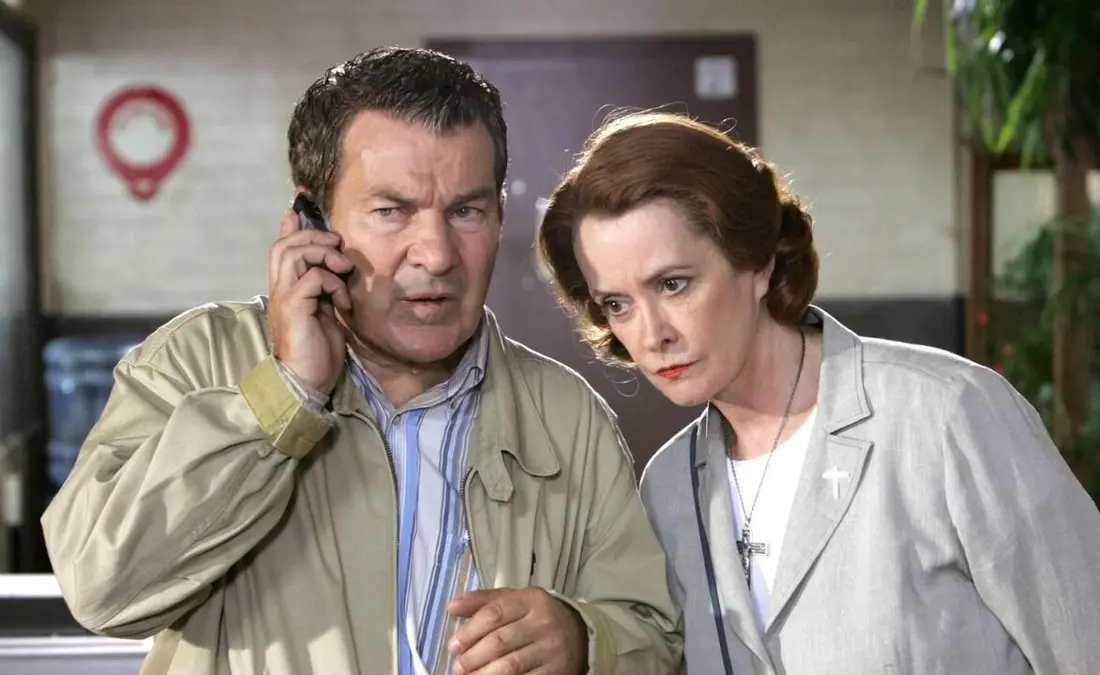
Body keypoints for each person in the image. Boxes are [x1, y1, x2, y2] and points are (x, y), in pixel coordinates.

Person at [40, 48, 682, 675]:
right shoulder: (197, 361)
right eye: (390, 211)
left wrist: (583, 640)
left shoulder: (568, 417)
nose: (436, 254)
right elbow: (102, 592)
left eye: (466, 211)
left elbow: (657, 638)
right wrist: (285, 394)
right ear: (310, 221)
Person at [534, 110, 1100, 674]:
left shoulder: (947, 415)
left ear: (757, 262)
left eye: (673, 284)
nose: (652, 335)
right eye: (617, 304)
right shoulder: (670, 485)